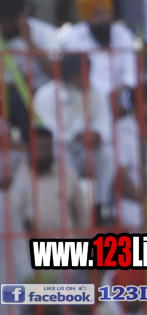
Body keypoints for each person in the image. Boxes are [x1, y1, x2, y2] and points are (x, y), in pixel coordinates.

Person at [30, 53, 114, 206]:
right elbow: (48, 134)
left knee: (107, 156)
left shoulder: (98, 93)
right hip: (61, 149)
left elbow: (105, 127)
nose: (83, 80)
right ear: (67, 75)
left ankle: (101, 205)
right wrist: (74, 137)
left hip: (88, 149)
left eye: (86, 74)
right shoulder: (45, 96)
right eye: (78, 75)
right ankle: (73, 205)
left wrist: (97, 135)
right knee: (62, 155)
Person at [61, 0, 138, 100]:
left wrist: (116, 96)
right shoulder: (74, 37)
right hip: (87, 98)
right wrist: (100, 98)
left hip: (122, 98)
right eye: (96, 14)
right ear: (87, 16)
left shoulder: (123, 34)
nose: (103, 18)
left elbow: (130, 75)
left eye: (106, 12)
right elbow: (75, 75)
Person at [10, 125, 89, 234]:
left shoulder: (67, 175)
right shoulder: (17, 178)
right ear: (29, 149)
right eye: (40, 148)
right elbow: (14, 216)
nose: (46, 153)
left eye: (49, 148)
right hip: (28, 242)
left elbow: (82, 215)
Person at [113, 81, 147, 227]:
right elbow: (121, 175)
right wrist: (144, 201)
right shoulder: (120, 129)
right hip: (132, 200)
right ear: (138, 104)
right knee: (141, 222)